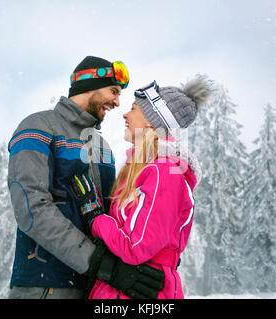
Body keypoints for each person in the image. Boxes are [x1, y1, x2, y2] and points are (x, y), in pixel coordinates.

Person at [7, 56, 165, 299]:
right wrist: (100, 264)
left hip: (94, 288)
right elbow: (31, 208)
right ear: (89, 84)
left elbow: (113, 213)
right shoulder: (38, 127)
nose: (117, 101)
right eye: (113, 91)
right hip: (45, 287)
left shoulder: (101, 147)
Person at [70, 75, 212, 298]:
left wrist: (95, 216)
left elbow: (135, 247)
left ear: (151, 121)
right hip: (125, 288)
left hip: (142, 291)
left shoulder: (164, 172)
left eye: (134, 108)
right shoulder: (143, 170)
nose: (126, 114)